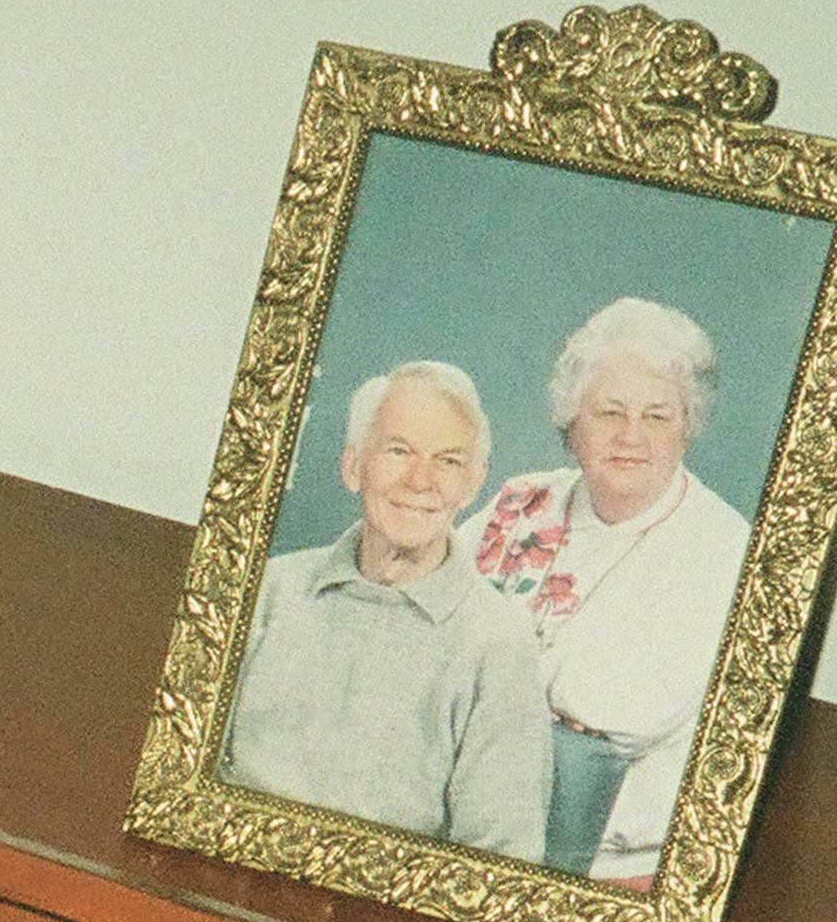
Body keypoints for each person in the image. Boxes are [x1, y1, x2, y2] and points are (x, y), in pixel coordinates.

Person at [461, 298, 752, 885]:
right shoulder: (521, 502)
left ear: (687, 426)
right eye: (609, 412)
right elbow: (431, 618)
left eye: (657, 416)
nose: (630, 436)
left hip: (615, 864)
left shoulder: (728, 552)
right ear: (572, 420)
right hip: (471, 817)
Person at [223, 361, 550, 858]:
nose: (421, 481)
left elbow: (499, 855)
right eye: (399, 451)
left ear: (473, 483)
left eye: (448, 461)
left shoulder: (498, 644)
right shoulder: (270, 588)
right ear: (353, 466)